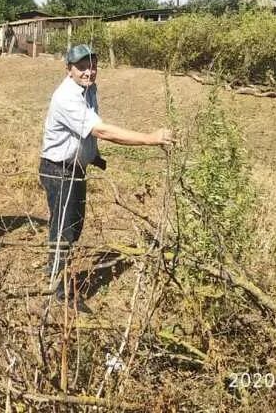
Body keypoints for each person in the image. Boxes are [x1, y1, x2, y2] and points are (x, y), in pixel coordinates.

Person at [39, 44, 175, 311]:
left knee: (74, 226)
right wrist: (150, 139)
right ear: (69, 70)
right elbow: (101, 130)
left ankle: (58, 277)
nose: (88, 72)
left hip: (75, 169)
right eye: (81, 67)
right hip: (58, 170)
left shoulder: (89, 88)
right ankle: (55, 290)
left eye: (92, 65)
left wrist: (93, 156)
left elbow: (87, 132)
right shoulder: (66, 96)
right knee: (64, 230)